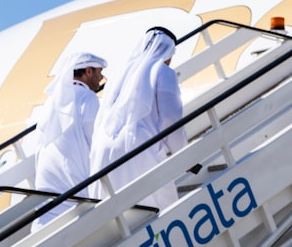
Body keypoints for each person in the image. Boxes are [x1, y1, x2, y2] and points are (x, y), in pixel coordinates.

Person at [89, 27, 186, 210]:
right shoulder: (163, 72)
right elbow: (171, 120)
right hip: (137, 148)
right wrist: (183, 153)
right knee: (160, 208)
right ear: (168, 51)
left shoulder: (120, 75)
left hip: (103, 150)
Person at [32, 52, 107, 230]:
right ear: (88, 71)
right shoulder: (87, 98)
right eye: (99, 71)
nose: (101, 77)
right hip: (77, 199)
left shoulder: (52, 103)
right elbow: (96, 145)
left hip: (48, 205)